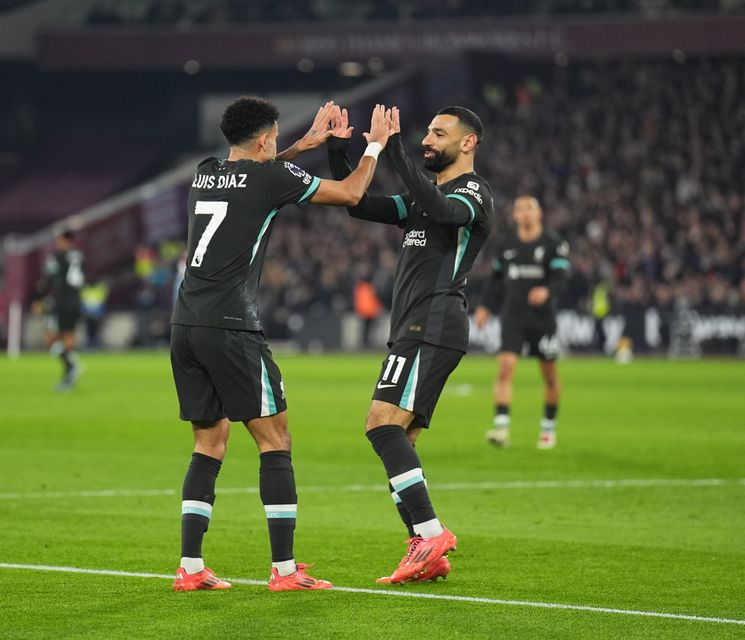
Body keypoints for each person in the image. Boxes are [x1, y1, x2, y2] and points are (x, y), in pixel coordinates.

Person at [170, 97, 391, 592]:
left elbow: (254, 176)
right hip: (232, 326)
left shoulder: (205, 172)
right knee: (276, 440)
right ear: (265, 140)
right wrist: (375, 145)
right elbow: (353, 193)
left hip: (185, 325)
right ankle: (285, 571)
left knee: (209, 443)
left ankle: (189, 567)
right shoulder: (271, 178)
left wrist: (303, 145)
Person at [327, 104, 493, 584]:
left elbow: (445, 212)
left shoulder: (472, 192)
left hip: (433, 323)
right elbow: (357, 204)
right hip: (416, 327)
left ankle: (430, 533)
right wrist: (343, 148)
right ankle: (427, 549)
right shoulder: (423, 197)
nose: (428, 139)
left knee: (381, 425)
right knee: (402, 439)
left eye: (439, 134)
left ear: (468, 143)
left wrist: (392, 146)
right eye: (427, 132)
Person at [474, 196, 570, 450]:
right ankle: (502, 428)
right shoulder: (506, 245)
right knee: (505, 369)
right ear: (515, 216)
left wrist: (546, 291)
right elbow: (494, 280)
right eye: (520, 209)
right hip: (513, 316)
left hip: (542, 319)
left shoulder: (553, 243)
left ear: (539, 214)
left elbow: (561, 277)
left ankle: (548, 429)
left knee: (549, 374)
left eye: (530, 208)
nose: (525, 213)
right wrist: (484, 306)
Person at [33, 230, 85, 391]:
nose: (57, 243)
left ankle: (71, 365)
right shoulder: (79, 256)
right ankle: (69, 377)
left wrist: (38, 298)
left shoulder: (56, 257)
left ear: (65, 240)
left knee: (50, 339)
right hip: (75, 301)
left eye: (58, 240)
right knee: (68, 337)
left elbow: (47, 279)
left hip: (61, 302)